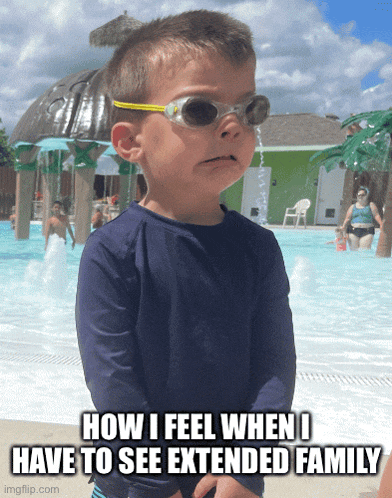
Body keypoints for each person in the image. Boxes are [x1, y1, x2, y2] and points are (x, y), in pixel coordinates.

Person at [76, 10, 296, 498]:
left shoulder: (259, 248)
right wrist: (156, 484)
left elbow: (275, 363)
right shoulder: (112, 251)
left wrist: (246, 465)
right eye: (200, 110)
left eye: (250, 108)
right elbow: (114, 383)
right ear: (130, 141)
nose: (234, 126)